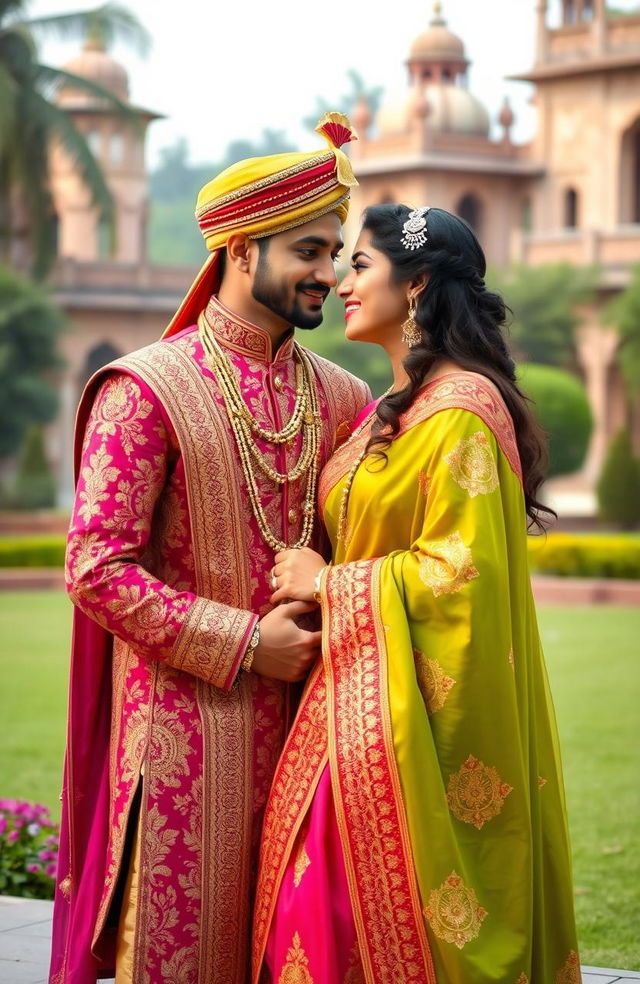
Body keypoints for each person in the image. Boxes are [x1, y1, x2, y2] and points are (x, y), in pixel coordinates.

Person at [48, 113, 371, 984]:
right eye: (307, 251)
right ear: (238, 252)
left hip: (314, 742)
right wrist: (242, 642)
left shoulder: (344, 397)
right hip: (185, 751)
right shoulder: (148, 389)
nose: (327, 273)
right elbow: (95, 569)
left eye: (335, 252)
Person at [253, 204, 581, 984]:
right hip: (345, 703)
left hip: (410, 728)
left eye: (359, 265)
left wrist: (326, 582)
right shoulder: (381, 414)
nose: (339, 282)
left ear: (419, 283)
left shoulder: (466, 410)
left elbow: (461, 581)